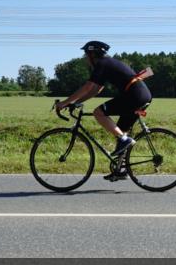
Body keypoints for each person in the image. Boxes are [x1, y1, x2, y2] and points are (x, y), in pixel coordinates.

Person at [55, 41, 152, 181]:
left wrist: (65, 102)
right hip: (139, 96)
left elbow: (88, 86)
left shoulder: (102, 63)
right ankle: (120, 170)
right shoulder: (106, 64)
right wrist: (76, 102)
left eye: (85, 55)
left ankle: (124, 140)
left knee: (98, 113)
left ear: (92, 54)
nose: (85, 58)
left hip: (135, 96)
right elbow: (96, 90)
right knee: (119, 132)